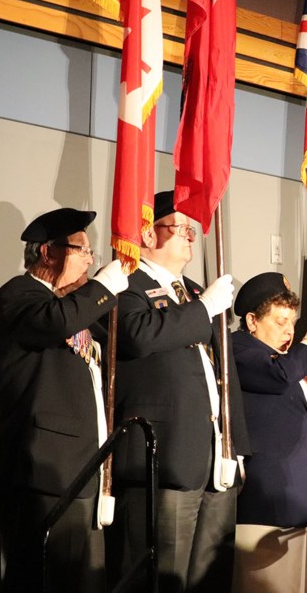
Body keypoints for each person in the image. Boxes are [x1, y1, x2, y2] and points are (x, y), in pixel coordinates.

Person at [108, 191, 251, 593]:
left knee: (210, 577)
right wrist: (203, 309)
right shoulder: (126, 282)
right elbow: (138, 335)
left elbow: (226, 372)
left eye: (193, 230)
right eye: (180, 228)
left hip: (212, 455)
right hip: (164, 456)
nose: (190, 237)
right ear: (149, 236)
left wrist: (236, 444)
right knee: (160, 578)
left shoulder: (192, 290)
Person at [0, 207, 128, 592]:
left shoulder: (72, 305)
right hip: (43, 467)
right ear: (48, 253)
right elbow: (53, 322)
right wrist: (100, 288)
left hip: (81, 465)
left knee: (82, 578)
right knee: (41, 578)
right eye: (81, 249)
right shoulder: (19, 293)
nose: (90, 258)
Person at [229, 272, 307, 593]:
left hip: (303, 504)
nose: (289, 331)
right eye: (279, 321)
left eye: (292, 322)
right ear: (251, 321)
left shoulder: (291, 360)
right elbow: (279, 376)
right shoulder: (239, 348)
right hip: (266, 505)